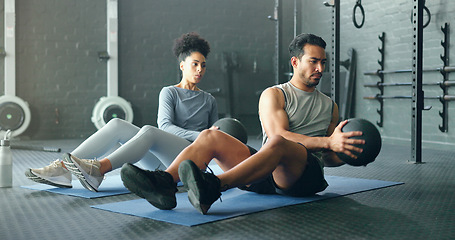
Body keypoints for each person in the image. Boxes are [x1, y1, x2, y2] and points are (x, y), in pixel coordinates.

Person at [120, 33, 365, 214]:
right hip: (266, 172)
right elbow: (278, 133)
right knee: (210, 135)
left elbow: (330, 157)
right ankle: (165, 183)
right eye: (313, 61)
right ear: (295, 62)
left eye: (323, 62)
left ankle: (214, 186)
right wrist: (329, 141)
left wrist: (347, 152)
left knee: (280, 145)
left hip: (304, 177)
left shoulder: (329, 106)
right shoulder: (275, 94)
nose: (320, 68)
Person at [25, 32, 218, 194]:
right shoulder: (170, 92)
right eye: (195, 64)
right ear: (182, 65)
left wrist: (205, 136)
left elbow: (215, 140)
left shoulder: (209, 100)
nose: (200, 69)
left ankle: (98, 170)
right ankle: (62, 169)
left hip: (190, 164)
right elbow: (166, 127)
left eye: (203, 65)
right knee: (117, 125)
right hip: (162, 162)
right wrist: (202, 134)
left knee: (149, 131)